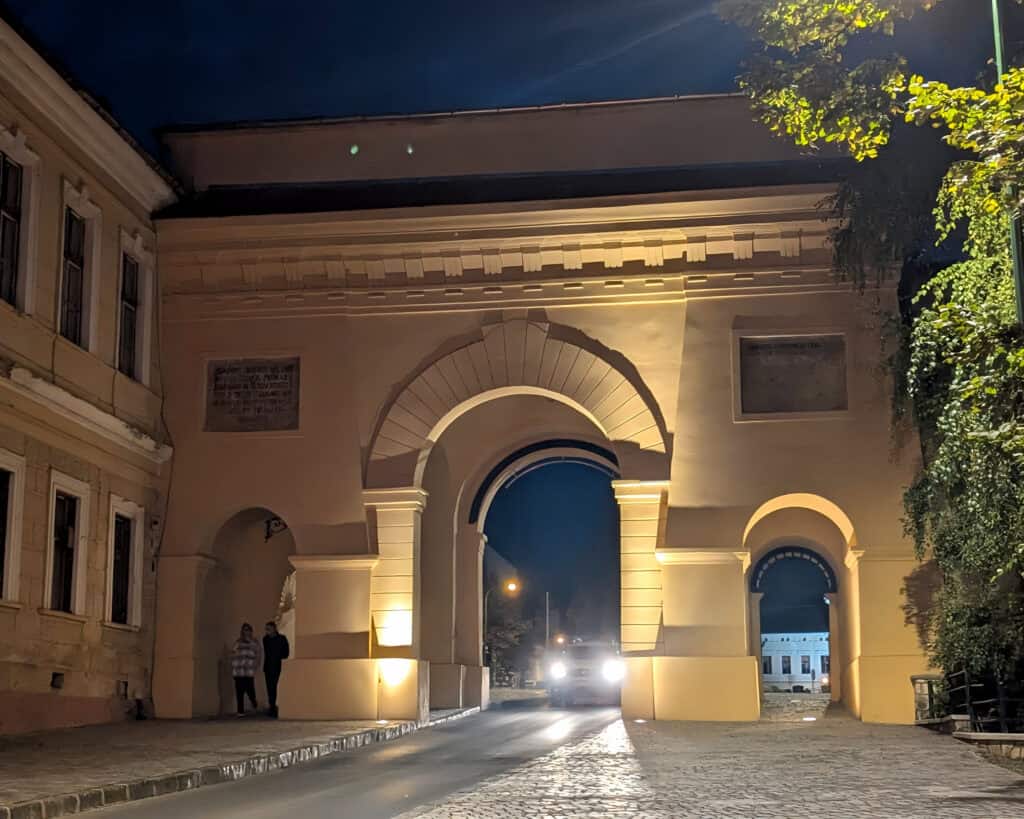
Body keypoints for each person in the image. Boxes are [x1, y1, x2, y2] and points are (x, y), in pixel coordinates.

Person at [231, 622, 261, 716]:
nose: (246, 632)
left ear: (251, 631)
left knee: (250, 690)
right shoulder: (238, 642)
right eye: (244, 630)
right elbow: (233, 652)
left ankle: (254, 703)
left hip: (248, 671)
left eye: (248, 630)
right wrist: (233, 662)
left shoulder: (254, 642)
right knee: (239, 691)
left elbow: (258, 654)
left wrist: (255, 665)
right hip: (239, 671)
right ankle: (240, 711)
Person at [263, 620, 290, 718]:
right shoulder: (265, 639)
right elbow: (267, 652)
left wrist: (279, 658)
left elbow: (286, 652)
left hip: (278, 666)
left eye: (269, 629)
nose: (267, 631)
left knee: (275, 687)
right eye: (266, 629)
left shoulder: (282, 639)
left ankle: (275, 707)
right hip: (268, 667)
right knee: (270, 688)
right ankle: (272, 707)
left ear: (274, 629)